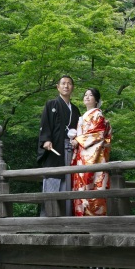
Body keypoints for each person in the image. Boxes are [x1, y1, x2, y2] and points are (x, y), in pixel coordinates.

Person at [37, 75, 81, 216]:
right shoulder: (51, 104)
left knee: (68, 182)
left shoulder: (75, 110)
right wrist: (46, 140)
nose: (66, 86)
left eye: (69, 84)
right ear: (58, 87)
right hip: (54, 149)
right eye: (63, 83)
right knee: (52, 182)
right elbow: (45, 123)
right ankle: (48, 219)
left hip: (70, 150)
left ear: (72, 87)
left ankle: (66, 218)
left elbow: (80, 130)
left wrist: (78, 140)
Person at [70, 87, 112, 216]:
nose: (87, 97)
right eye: (85, 95)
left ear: (96, 100)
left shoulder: (98, 115)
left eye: (90, 95)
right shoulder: (84, 116)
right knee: (80, 187)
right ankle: (81, 221)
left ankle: (93, 220)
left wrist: (78, 140)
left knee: (93, 184)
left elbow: (98, 134)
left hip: (93, 156)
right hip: (82, 155)